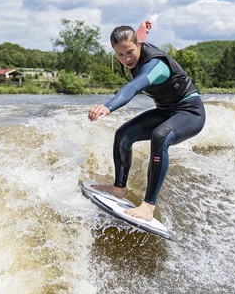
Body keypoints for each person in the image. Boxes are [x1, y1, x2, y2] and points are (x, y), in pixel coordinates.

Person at [88, 21, 206, 221]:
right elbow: (139, 36)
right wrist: (143, 28)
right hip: (166, 111)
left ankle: (148, 206)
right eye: (119, 55)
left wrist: (108, 106)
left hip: (190, 112)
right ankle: (118, 188)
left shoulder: (154, 65)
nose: (126, 59)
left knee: (159, 136)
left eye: (130, 52)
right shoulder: (135, 43)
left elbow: (132, 87)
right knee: (124, 134)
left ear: (139, 46)